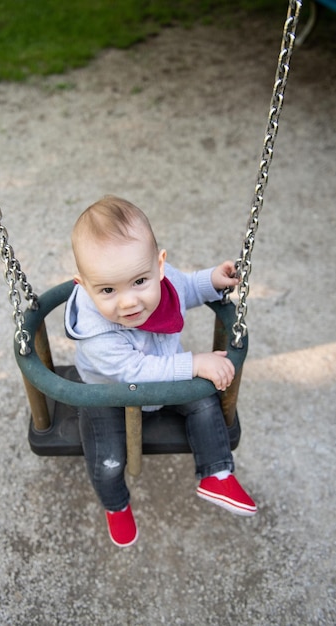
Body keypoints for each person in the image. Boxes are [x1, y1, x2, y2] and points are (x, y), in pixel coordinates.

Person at [65, 195, 257, 547]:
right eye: (107, 289)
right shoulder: (97, 333)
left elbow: (189, 287)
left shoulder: (164, 284)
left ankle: (216, 473)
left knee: (203, 399)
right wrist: (195, 362)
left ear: (159, 265)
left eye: (140, 281)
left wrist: (212, 280)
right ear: (84, 286)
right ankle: (116, 505)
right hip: (107, 394)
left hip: (162, 376)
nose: (129, 301)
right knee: (106, 458)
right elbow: (135, 372)